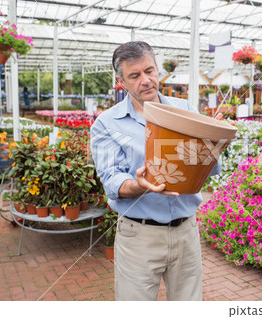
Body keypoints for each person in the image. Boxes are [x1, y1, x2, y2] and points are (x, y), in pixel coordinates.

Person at [90, 41, 221, 301]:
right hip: (140, 234)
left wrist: (214, 141)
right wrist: (138, 185)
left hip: (186, 230)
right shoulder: (106, 124)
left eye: (149, 71)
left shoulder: (184, 110)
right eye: (135, 75)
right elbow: (111, 179)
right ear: (121, 81)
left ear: (158, 69)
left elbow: (210, 168)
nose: (146, 80)